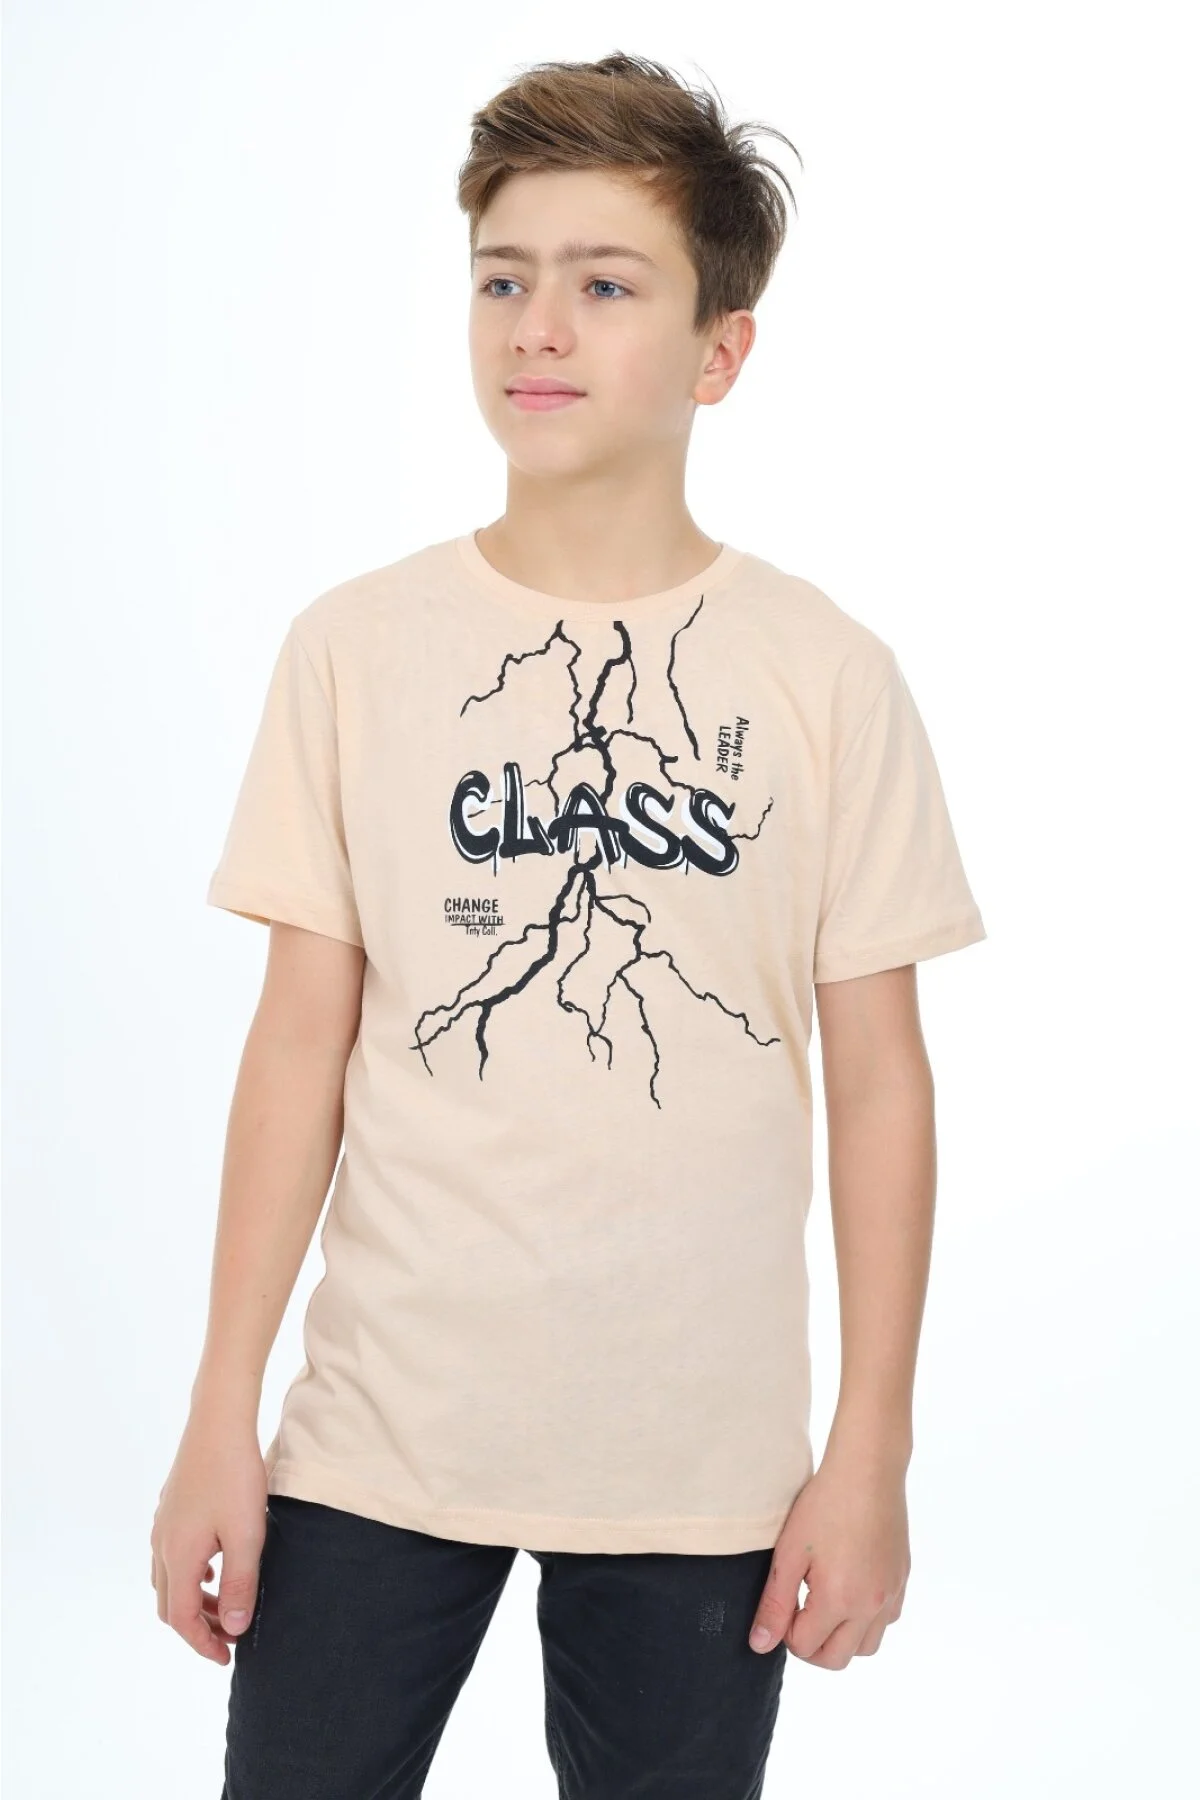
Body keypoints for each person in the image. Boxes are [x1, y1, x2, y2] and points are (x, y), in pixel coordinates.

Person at [151, 50, 987, 1800]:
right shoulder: (355, 650)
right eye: (502, 280)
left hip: (698, 1464)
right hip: (378, 1440)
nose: (539, 327)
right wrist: (219, 1412)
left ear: (719, 350)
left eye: (606, 286)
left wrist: (873, 1448)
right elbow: (298, 1043)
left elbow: (881, 1085)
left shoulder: (825, 675)